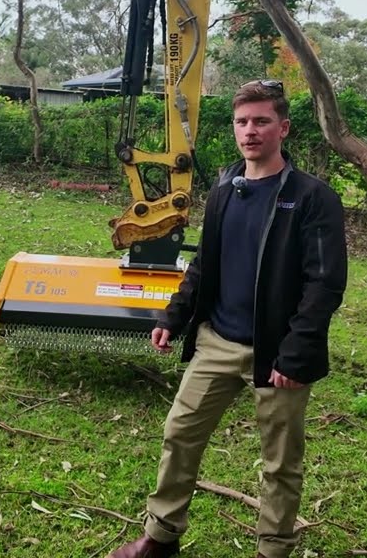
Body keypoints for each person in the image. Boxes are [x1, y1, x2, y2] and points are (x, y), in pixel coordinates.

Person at [106, 79, 348, 558]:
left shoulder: (312, 197)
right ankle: (161, 537)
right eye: (242, 122)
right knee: (179, 433)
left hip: (277, 352)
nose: (250, 131)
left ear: (283, 128)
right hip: (217, 341)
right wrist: (174, 317)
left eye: (261, 121)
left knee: (280, 462)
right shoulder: (223, 190)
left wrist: (295, 354)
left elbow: (324, 284)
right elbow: (204, 265)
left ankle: (272, 550)